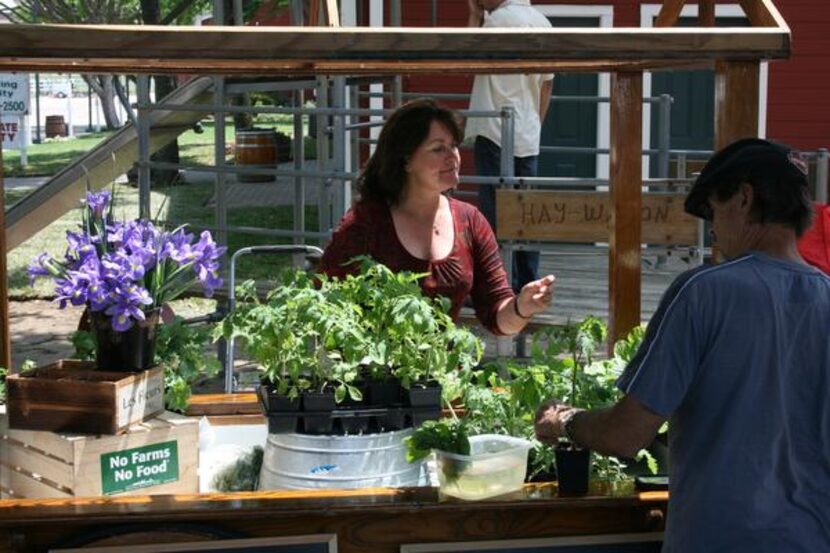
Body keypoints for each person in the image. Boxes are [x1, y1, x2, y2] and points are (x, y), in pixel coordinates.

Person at [534, 138, 830, 552]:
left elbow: (626, 434)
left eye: (713, 211)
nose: (714, 229)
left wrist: (564, 421)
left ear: (744, 198)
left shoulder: (704, 291)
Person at [319, 98, 555, 336]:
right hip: (375, 368)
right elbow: (325, 303)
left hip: (446, 369)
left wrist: (522, 307)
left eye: (453, 146)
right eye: (438, 148)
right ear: (406, 160)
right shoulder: (365, 223)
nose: (453, 157)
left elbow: (496, 315)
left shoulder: (470, 221)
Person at [465, 0, 554, 293]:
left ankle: (494, 285)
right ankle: (527, 281)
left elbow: (468, 61)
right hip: (528, 133)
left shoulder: (496, 21)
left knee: (493, 212)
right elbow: (546, 85)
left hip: (494, 129)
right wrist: (535, 125)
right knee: (525, 212)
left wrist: (474, 16)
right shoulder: (543, 24)